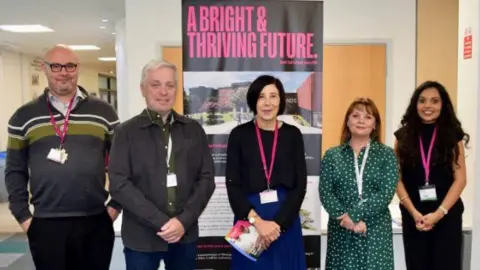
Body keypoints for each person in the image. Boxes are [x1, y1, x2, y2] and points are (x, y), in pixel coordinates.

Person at [4, 44, 120, 270]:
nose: (63, 72)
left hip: (95, 220)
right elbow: (14, 170)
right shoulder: (23, 116)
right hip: (46, 224)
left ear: (77, 68)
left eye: (70, 65)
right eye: (56, 66)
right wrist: (24, 217)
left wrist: (115, 205)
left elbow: (122, 163)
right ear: (45, 69)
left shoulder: (104, 112)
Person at [108, 59, 215, 270]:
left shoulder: (193, 130)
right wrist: (163, 223)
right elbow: (119, 184)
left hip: (184, 235)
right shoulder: (125, 132)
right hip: (141, 238)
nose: (163, 92)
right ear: (143, 89)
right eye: (155, 85)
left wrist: (183, 221)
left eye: (170, 85)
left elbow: (206, 179)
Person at [225, 75, 307, 270]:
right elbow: (233, 185)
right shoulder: (239, 135)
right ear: (254, 101)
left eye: (273, 96)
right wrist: (257, 222)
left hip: (285, 221)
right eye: (262, 97)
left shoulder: (293, 135)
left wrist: (277, 225)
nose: (268, 103)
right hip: (249, 221)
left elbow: (300, 186)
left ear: (281, 101)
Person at [394, 81, 468, 270]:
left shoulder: (453, 136)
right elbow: (396, 178)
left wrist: (439, 213)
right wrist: (413, 212)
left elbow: (460, 179)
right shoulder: (403, 136)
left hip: (446, 214)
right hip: (414, 215)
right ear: (415, 104)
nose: (428, 106)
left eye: (435, 101)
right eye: (423, 101)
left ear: (443, 105)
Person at [319, 97, 398, 270]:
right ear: (347, 122)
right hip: (341, 229)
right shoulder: (332, 155)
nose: (361, 120)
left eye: (368, 117)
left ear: (375, 124)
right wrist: (345, 218)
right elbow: (325, 192)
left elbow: (386, 193)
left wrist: (353, 215)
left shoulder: (387, 155)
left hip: (375, 230)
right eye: (355, 115)